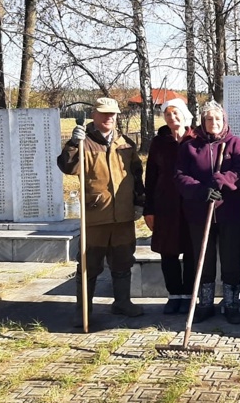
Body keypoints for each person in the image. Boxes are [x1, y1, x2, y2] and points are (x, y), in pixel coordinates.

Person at [57, 97, 145, 319]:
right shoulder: (84, 143)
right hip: (95, 216)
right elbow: (68, 167)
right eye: (104, 114)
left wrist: (139, 203)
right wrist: (72, 144)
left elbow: (136, 175)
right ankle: (83, 310)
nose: (109, 118)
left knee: (124, 260)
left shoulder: (125, 143)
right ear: (94, 115)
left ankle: (122, 302)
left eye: (113, 114)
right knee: (89, 264)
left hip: (123, 216)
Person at [175, 101, 240, 324]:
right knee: (203, 259)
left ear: (224, 121)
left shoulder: (235, 144)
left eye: (217, 119)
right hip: (199, 211)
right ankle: (205, 304)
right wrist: (201, 190)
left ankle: (231, 304)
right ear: (203, 122)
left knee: (230, 259)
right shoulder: (190, 146)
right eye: (209, 119)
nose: (213, 123)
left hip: (230, 211)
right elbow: (180, 176)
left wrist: (221, 181)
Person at [144, 98, 197, 315]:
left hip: (191, 204)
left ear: (185, 115)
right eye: (168, 114)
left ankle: (189, 294)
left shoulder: (196, 140)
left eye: (176, 114)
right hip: (165, 204)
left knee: (192, 252)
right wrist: (149, 209)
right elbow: (151, 177)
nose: (172, 118)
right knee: (168, 252)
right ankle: (174, 294)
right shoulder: (159, 142)